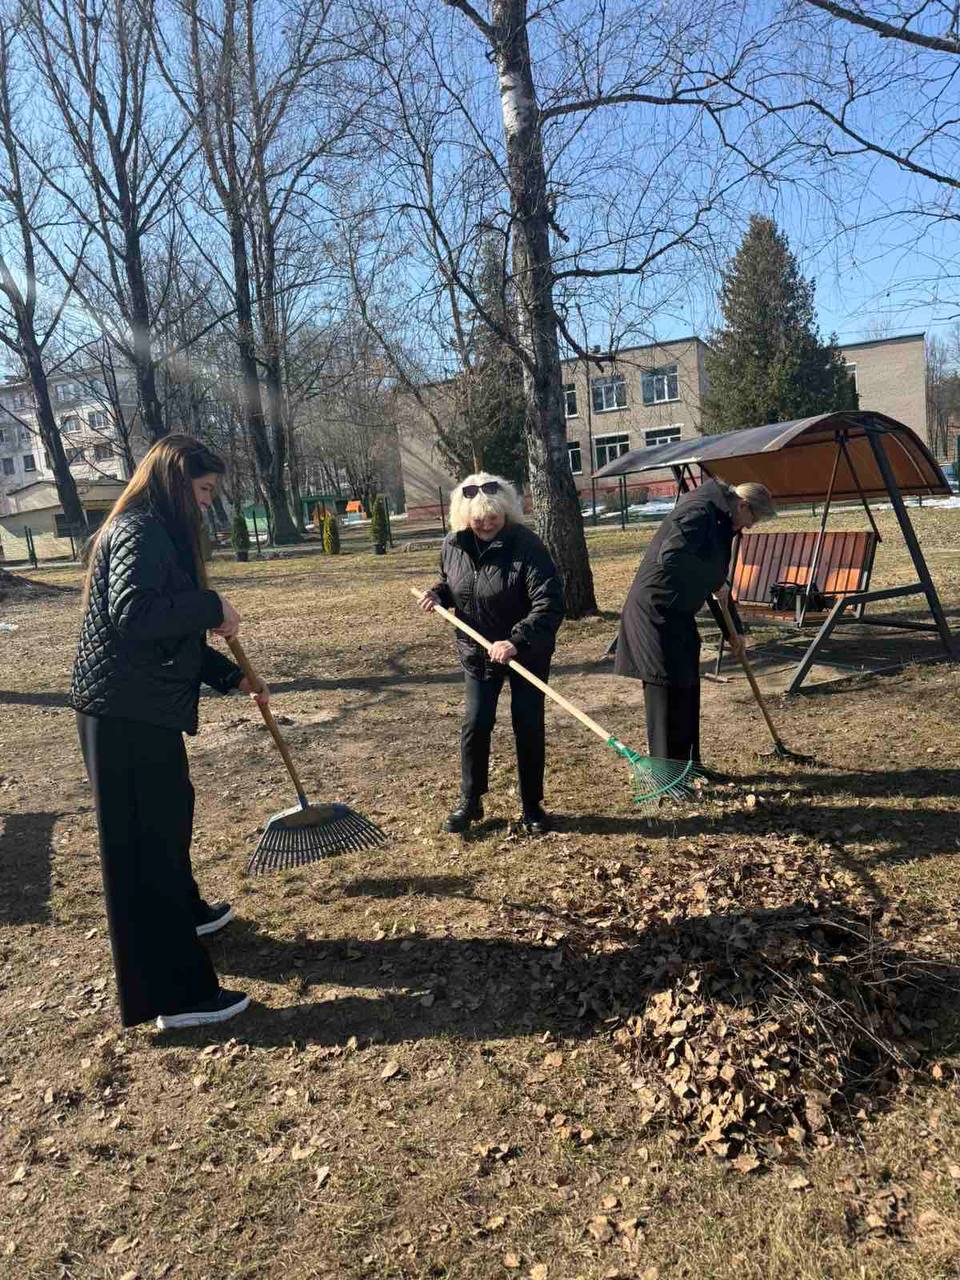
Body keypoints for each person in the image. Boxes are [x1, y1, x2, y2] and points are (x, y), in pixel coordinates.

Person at [70, 434, 269, 1031]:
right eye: (204, 491)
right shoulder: (139, 530)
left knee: (168, 820)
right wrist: (211, 606)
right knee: (144, 853)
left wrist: (229, 677)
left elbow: (163, 632)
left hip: (137, 711)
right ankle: (173, 995)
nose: (207, 504)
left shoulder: (152, 530)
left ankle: (185, 911)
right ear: (176, 481)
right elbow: (135, 616)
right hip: (123, 718)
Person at [418, 472, 564, 835]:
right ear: (465, 516)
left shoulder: (526, 545)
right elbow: (458, 586)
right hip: (477, 651)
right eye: (478, 518)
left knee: (527, 724)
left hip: (526, 651)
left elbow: (549, 603)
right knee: (475, 723)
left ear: (506, 512)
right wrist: (439, 594)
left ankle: (532, 805)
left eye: (493, 516)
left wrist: (515, 640)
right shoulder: (453, 544)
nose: (486, 522)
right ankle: (471, 800)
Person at [614, 478, 777, 771]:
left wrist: (733, 632)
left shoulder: (723, 521)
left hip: (679, 611)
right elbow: (671, 556)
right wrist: (714, 580)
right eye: (753, 518)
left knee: (687, 686)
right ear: (742, 505)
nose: (751, 526)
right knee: (665, 689)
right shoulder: (699, 511)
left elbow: (717, 582)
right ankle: (667, 773)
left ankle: (690, 768)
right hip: (654, 609)